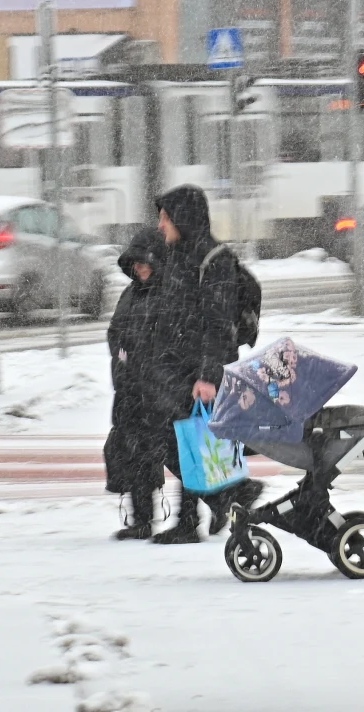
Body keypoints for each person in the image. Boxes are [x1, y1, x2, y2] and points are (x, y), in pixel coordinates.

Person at [146, 185, 263, 545]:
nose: (160, 224)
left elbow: (218, 323)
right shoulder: (177, 257)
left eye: (166, 218)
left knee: (183, 442)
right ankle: (221, 499)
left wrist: (209, 376)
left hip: (199, 370)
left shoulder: (215, 261)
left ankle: (223, 498)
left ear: (183, 218)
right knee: (183, 444)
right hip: (175, 368)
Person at [105, 228, 168, 541]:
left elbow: (169, 341)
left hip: (160, 391)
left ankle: (225, 497)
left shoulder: (169, 293)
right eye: (136, 263)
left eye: (146, 262)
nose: (141, 268)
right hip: (130, 389)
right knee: (130, 452)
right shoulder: (130, 294)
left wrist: (146, 361)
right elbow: (115, 332)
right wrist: (122, 356)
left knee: (172, 455)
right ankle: (141, 519)